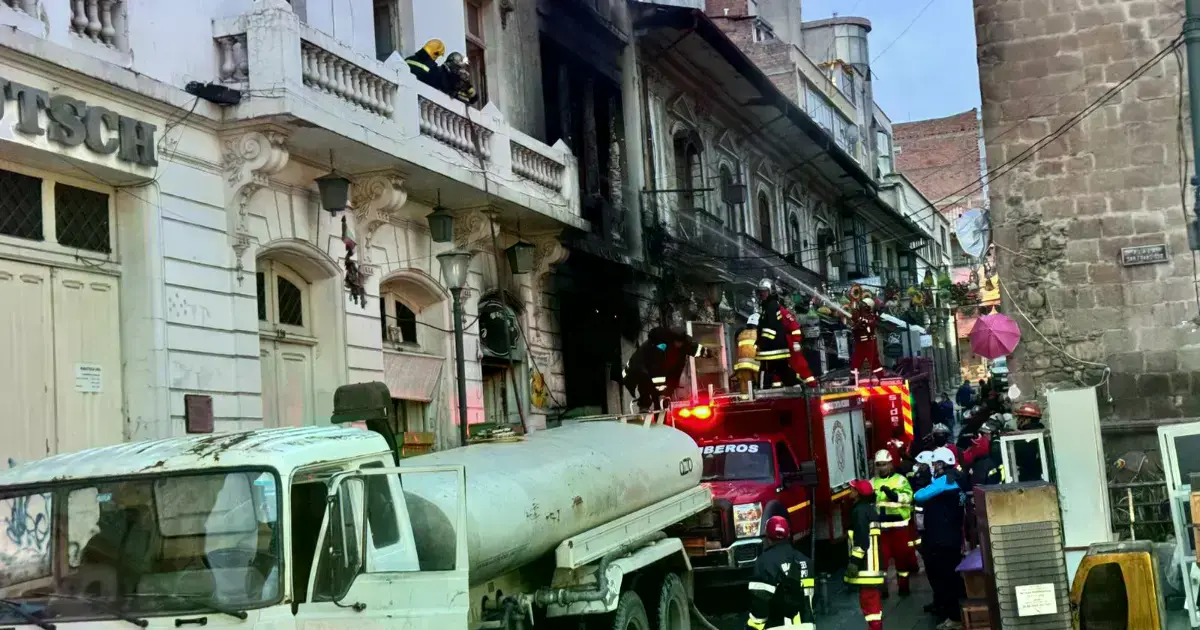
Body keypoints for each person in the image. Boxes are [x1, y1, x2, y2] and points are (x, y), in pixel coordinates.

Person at [915, 447, 967, 630]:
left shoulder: (946, 480)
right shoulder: (958, 478)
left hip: (941, 539)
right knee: (952, 577)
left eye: (936, 463)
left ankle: (955, 617)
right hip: (951, 536)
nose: (934, 467)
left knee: (947, 579)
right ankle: (956, 614)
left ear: (943, 464)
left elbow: (919, 495)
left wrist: (927, 483)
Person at [746, 516, 816, 630]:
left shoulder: (764, 562)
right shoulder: (806, 561)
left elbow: (760, 605)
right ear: (788, 535)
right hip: (807, 625)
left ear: (767, 537)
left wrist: (752, 627)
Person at [621, 327, 712, 412]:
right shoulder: (659, 346)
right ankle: (644, 405)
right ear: (672, 340)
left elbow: (694, 348)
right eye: (677, 342)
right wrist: (661, 392)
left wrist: (707, 353)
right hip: (641, 369)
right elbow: (657, 370)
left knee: (664, 393)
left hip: (663, 370)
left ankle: (662, 406)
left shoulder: (684, 343)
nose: (679, 345)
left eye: (681, 343)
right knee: (647, 383)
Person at [871, 450, 919, 598]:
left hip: (899, 526)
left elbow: (909, 497)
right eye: (878, 465)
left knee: (901, 560)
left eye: (884, 464)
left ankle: (904, 588)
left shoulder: (900, 480)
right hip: (881, 528)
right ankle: (883, 590)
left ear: (890, 464)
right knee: (882, 562)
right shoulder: (872, 482)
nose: (881, 468)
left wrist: (895, 496)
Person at [755, 279, 816, 389]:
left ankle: (809, 385)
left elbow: (794, 326)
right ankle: (789, 386)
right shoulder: (766, 309)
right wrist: (759, 342)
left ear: (771, 292)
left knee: (798, 365)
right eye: (760, 292)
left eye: (764, 292)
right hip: (777, 346)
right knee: (780, 369)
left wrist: (796, 341)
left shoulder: (779, 310)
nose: (761, 294)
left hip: (785, 345)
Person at [845, 478, 885, 630]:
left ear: (858, 493)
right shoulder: (867, 509)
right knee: (871, 599)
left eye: (852, 489)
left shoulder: (860, 511)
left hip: (867, 565)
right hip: (872, 562)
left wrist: (854, 562)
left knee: (868, 600)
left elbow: (862, 540)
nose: (850, 491)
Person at [848, 293, 884, 383]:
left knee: (869, 360)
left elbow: (870, 328)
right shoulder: (859, 317)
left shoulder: (871, 317)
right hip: (861, 342)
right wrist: (857, 323)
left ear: (868, 307)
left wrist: (863, 322)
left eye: (863, 305)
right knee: (859, 360)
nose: (861, 306)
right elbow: (854, 328)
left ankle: (877, 377)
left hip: (867, 342)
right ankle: (854, 378)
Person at [1012, 402, 1046, 482]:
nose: (1017, 421)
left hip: (1029, 480)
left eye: (1020, 418)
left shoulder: (1025, 438)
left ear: (1027, 420)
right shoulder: (1040, 433)